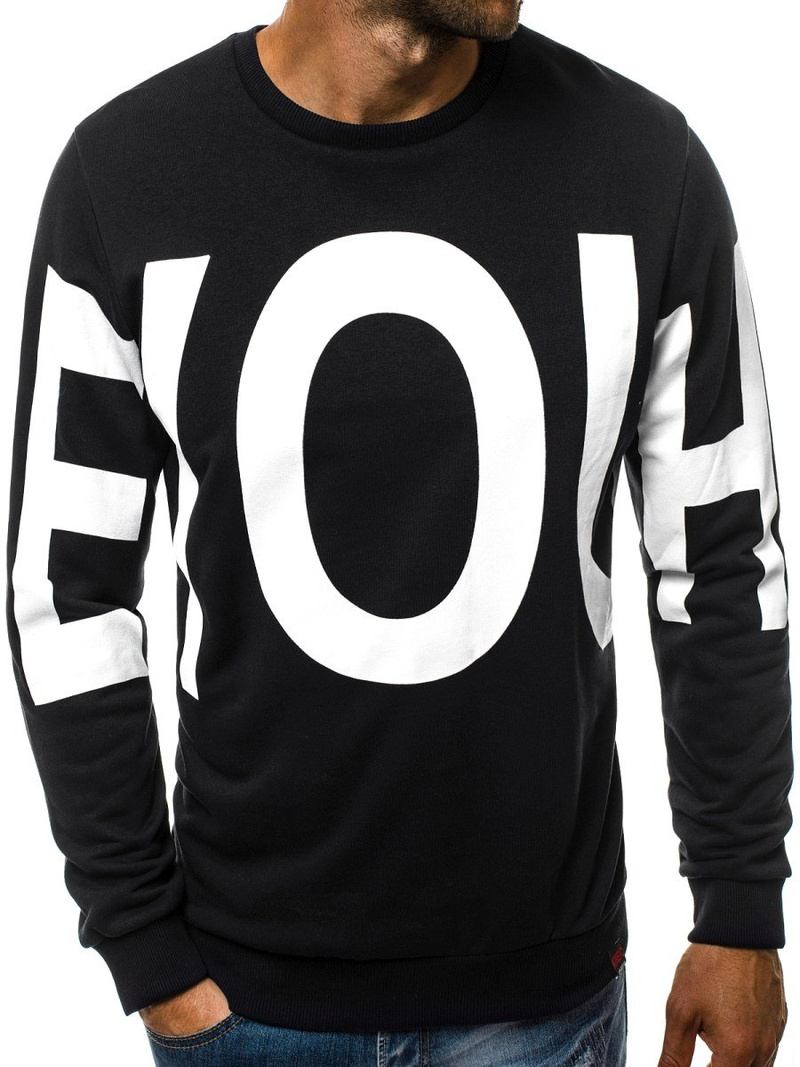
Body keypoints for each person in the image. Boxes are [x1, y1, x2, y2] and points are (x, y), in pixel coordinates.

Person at [5, 1, 792, 1064]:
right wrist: (144, 944)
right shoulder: (130, 175)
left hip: (540, 1000)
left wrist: (737, 906)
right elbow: (67, 591)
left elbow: (718, 558)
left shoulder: (642, 165)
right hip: (245, 1002)